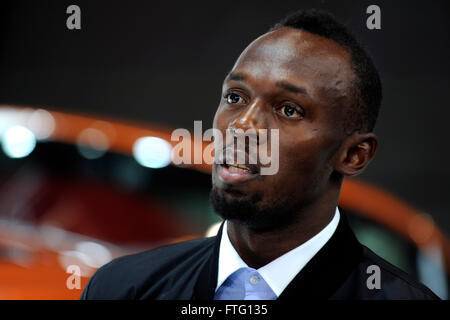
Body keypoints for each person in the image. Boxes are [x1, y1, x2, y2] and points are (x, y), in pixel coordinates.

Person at [81, 9, 439, 300]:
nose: (243, 126)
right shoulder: (121, 289)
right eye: (235, 97)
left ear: (354, 155)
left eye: (288, 110)